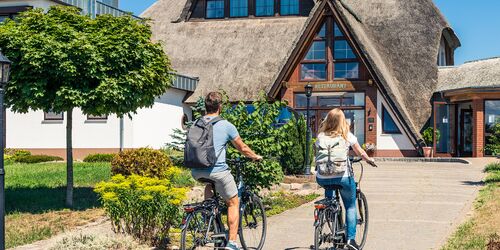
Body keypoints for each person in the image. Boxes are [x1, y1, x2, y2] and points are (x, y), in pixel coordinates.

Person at [191, 92, 262, 250]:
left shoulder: (196, 123)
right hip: (218, 171)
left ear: (205, 107)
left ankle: (208, 214)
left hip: (196, 170)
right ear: (220, 107)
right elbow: (242, 148)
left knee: (210, 185)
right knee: (233, 202)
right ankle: (232, 243)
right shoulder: (226, 125)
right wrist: (255, 156)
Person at [315, 108, 376, 250]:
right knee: (350, 206)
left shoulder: (320, 136)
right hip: (342, 176)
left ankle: (329, 210)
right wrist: (369, 160)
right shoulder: (347, 135)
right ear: (343, 121)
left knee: (329, 185)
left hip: (322, 177)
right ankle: (350, 241)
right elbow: (360, 152)